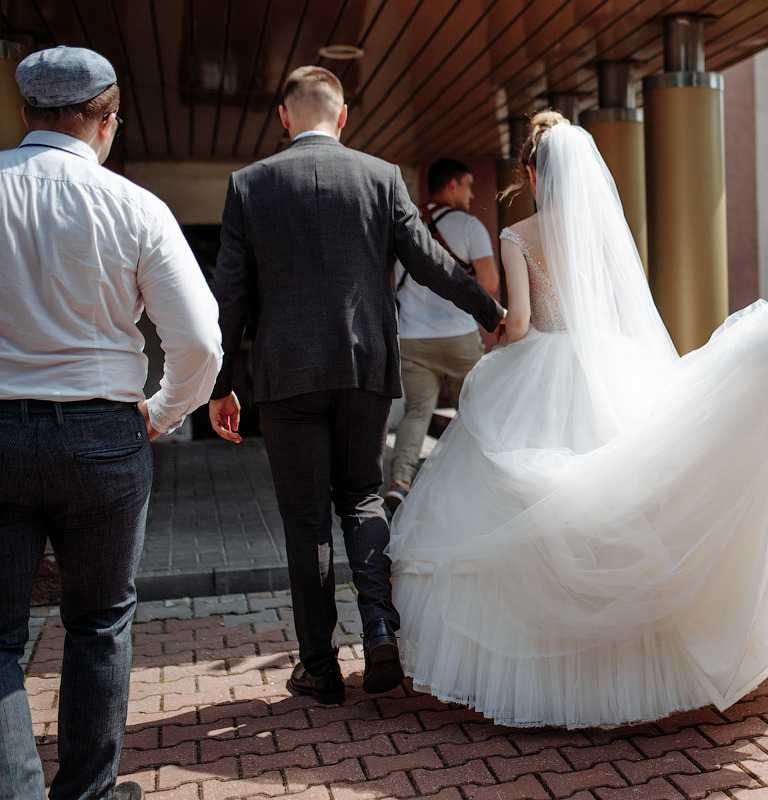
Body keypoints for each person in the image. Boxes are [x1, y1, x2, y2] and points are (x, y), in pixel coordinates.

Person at [387, 110, 768, 728]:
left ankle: (547, 669)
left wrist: (495, 344)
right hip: (610, 365)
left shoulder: (519, 236)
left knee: (529, 510)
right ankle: (636, 661)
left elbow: (519, 325)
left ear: (535, 175)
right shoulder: (602, 233)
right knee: (624, 496)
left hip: (538, 373)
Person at [207, 66, 503, 706]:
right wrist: (489, 310)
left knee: (305, 520)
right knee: (363, 498)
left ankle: (318, 667)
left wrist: (221, 383)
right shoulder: (380, 177)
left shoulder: (249, 185)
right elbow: (429, 260)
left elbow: (228, 293)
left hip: (286, 375)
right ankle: (379, 632)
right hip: (365, 365)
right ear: (343, 117)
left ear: (283, 118)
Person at [0, 46, 222, 800]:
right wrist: (161, 413)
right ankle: (87, 796)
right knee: (97, 624)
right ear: (106, 120)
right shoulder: (134, 205)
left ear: (27, 111)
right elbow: (199, 341)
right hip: (102, 434)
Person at [385, 158, 501, 513]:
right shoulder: (470, 227)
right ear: (451, 186)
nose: (471, 193)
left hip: (413, 339)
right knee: (478, 407)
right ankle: (488, 478)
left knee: (418, 411)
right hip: (459, 336)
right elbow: (490, 283)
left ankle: (401, 482)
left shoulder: (404, 225)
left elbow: (390, 281)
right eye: (467, 185)